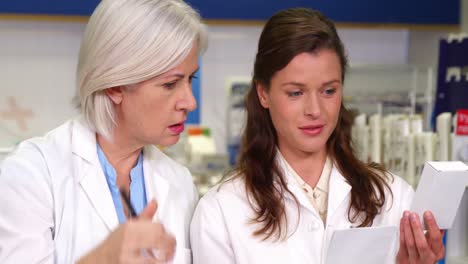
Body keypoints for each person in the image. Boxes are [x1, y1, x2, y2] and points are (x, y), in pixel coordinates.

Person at [190, 8, 444, 264]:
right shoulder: (221, 212)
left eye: (328, 91)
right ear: (263, 93)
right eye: (295, 93)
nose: (315, 110)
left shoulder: (392, 197)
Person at [0, 0, 207, 262]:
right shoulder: (32, 175)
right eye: (170, 84)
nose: (190, 102)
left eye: (191, 79)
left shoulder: (180, 183)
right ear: (114, 86)